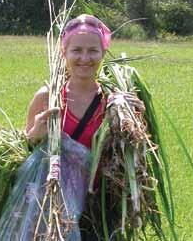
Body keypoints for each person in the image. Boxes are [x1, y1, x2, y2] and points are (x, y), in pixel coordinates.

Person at [24, 14, 144, 240]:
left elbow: (131, 155)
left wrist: (134, 125)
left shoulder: (114, 103)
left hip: (99, 206)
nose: (85, 58)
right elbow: (24, 155)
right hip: (53, 206)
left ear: (103, 53)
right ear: (63, 53)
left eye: (93, 51)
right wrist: (35, 136)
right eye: (77, 50)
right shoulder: (47, 98)